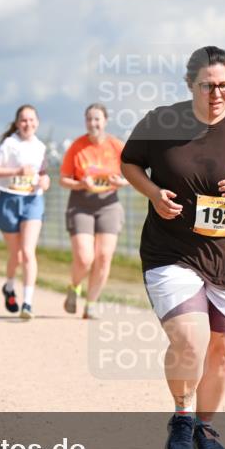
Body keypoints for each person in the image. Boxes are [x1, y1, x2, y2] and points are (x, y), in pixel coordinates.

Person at [121, 46, 225, 449]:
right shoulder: (161, 122)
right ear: (190, 84)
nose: (216, 94)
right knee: (190, 339)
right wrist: (154, 193)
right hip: (171, 251)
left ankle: (204, 425)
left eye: (224, 86)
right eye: (208, 85)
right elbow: (129, 164)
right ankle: (181, 416)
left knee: (224, 349)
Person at [59, 103, 129, 319]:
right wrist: (81, 184)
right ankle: (74, 286)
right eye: (89, 119)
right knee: (84, 257)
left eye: (97, 119)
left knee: (104, 256)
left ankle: (91, 303)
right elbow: (63, 179)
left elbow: (133, 175)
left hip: (109, 203)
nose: (93, 123)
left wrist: (121, 182)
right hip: (81, 203)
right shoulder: (77, 147)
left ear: (105, 121)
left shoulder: (117, 146)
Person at [0, 104, 51, 319]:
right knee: (16, 254)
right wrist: (16, 170)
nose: (28, 124)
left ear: (37, 122)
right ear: (17, 123)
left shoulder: (41, 147)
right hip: (9, 199)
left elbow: (44, 175)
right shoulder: (9, 144)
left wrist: (45, 181)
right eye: (23, 120)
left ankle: (28, 303)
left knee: (27, 252)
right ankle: (9, 285)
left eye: (31, 120)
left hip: (33, 200)